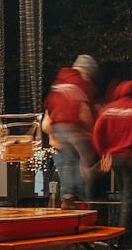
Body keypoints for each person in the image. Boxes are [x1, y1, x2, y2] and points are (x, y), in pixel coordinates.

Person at [92, 79, 132, 246]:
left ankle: (123, 235)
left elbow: (97, 132)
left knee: (125, 195)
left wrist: (104, 153)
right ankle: (123, 239)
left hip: (114, 158)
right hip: (130, 157)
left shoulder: (108, 110)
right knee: (130, 196)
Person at [42, 55, 100, 208]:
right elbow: (85, 111)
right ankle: (82, 198)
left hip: (57, 130)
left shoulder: (58, 83)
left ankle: (68, 195)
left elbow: (48, 115)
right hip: (73, 128)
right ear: (86, 71)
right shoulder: (83, 83)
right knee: (84, 163)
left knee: (67, 162)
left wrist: (55, 135)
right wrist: (91, 132)